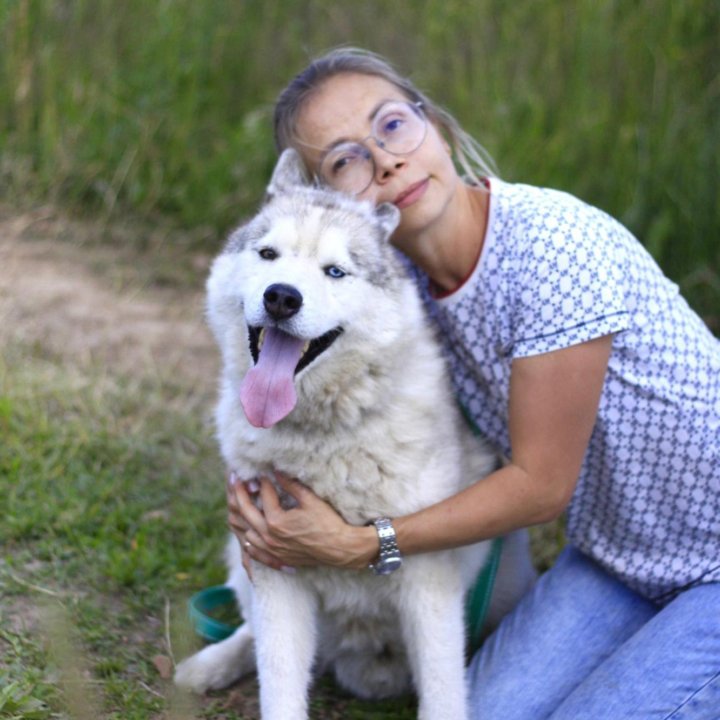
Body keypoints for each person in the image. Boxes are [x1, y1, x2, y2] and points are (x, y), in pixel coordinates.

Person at [226, 47, 720, 719]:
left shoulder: (551, 246)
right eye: (346, 159)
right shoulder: (397, 300)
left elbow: (542, 487)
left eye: (393, 125)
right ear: (323, 200)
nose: (386, 160)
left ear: (436, 128)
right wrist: (270, 510)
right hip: (618, 560)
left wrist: (363, 545)